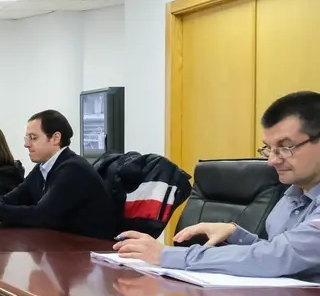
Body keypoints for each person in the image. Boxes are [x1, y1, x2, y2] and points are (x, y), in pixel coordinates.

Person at [116, 91, 320, 280]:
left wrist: (167, 255)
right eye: (269, 148)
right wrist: (236, 234)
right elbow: (290, 257)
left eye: (285, 148)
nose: (272, 161)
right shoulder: (293, 194)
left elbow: (276, 258)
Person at [0, 110, 115, 240]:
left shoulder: (73, 169)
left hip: (88, 250)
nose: (26, 144)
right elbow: (12, 198)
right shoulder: (42, 168)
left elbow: (42, 215)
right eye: (27, 138)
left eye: (33, 138)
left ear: (55, 138)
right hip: (61, 245)